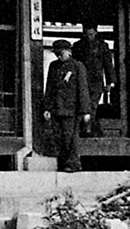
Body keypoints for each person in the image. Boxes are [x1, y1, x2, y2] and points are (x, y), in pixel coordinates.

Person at [43, 39, 91, 172]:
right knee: (58, 137)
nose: (59, 56)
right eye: (57, 53)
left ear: (69, 52)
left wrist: (85, 111)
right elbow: (50, 88)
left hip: (72, 109)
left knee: (70, 138)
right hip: (56, 108)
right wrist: (47, 108)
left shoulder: (77, 66)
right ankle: (62, 163)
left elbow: (83, 89)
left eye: (61, 53)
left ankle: (73, 164)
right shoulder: (53, 66)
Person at [72, 22, 115, 138]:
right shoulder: (77, 46)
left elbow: (108, 65)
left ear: (96, 32)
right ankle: (88, 128)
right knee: (82, 106)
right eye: (86, 34)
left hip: (96, 81)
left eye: (91, 34)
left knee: (92, 106)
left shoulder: (102, 46)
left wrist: (110, 82)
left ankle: (88, 129)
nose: (89, 36)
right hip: (81, 80)